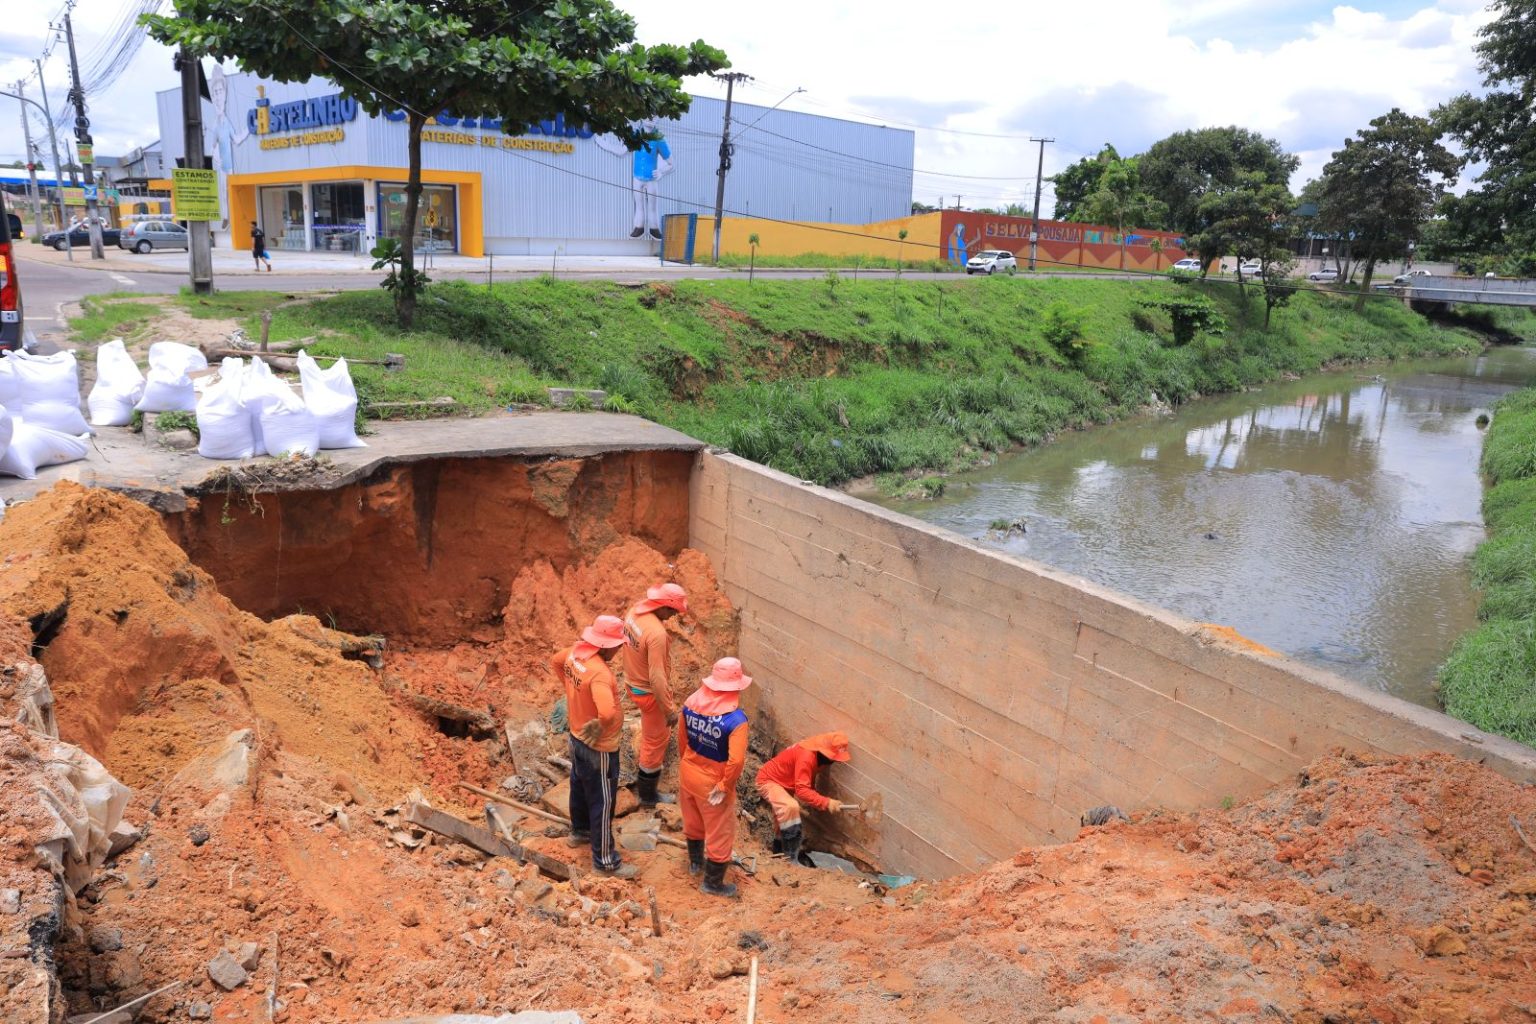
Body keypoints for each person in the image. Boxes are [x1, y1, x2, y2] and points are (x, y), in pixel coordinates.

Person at [550, 615, 637, 879]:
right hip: (598, 748)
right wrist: (600, 724)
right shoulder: (600, 673)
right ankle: (606, 862)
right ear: (605, 645)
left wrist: (572, 692)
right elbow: (608, 711)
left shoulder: (576, 653)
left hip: (576, 738)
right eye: (617, 645)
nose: (619, 649)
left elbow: (556, 660)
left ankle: (580, 831)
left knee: (578, 784)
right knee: (602, 801)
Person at [677, 657, 753, 897]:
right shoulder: (736, 720)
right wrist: (725, 785)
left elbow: (681, 739)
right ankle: (712, 884)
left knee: (693, 821)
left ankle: (695, 864)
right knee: (720, 832)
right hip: (712, 783)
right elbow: (737, 760)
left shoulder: (690, 703)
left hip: (688, 773)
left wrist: (688, 763)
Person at [622, 582, 688, 807]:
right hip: (649, 694)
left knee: (651, 732)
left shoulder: (634, 612)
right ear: (661, 605)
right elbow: (657, 678)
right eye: (671, 610)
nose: (672, 616)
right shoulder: (657, 633)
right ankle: (648, 796)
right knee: (655, 741)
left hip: (632, 682)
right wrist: (668, 710)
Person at [755, 733, 850, 863]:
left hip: (785, 784)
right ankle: (791, 857)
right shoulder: (807, 756)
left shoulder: (817, 754)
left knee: (784, 817)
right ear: (825, 752)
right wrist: (827, 802)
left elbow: (806, 784)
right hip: (768, 781)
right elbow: (802, 791)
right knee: (790, 806)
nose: (834, 761)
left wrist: (820, 801)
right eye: (834, 758)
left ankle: (778, 850)